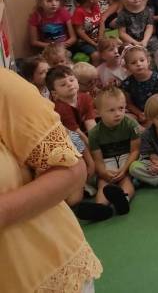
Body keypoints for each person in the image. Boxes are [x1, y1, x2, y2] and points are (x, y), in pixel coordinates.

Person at [0, 69, 103, 292]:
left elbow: (73, 161)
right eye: (63, 84)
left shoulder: (6, 88)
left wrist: (93, 162)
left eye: (72, 80)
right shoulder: (64, 108)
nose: (70, 85)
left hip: (37, 265)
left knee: (93, 184)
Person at [89, 86, 141, 216]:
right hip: (107, 163)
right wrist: (104, 172)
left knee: (126, 181)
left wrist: (124, 169)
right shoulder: (94, 134)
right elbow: (98, 159)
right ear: (98, 112)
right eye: (111, 110)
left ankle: (123, 200)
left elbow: (135, 150)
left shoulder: (131, 125)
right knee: (103, 184)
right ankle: (100, 208)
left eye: (121, 108)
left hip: (126, 160)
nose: (118, 113)